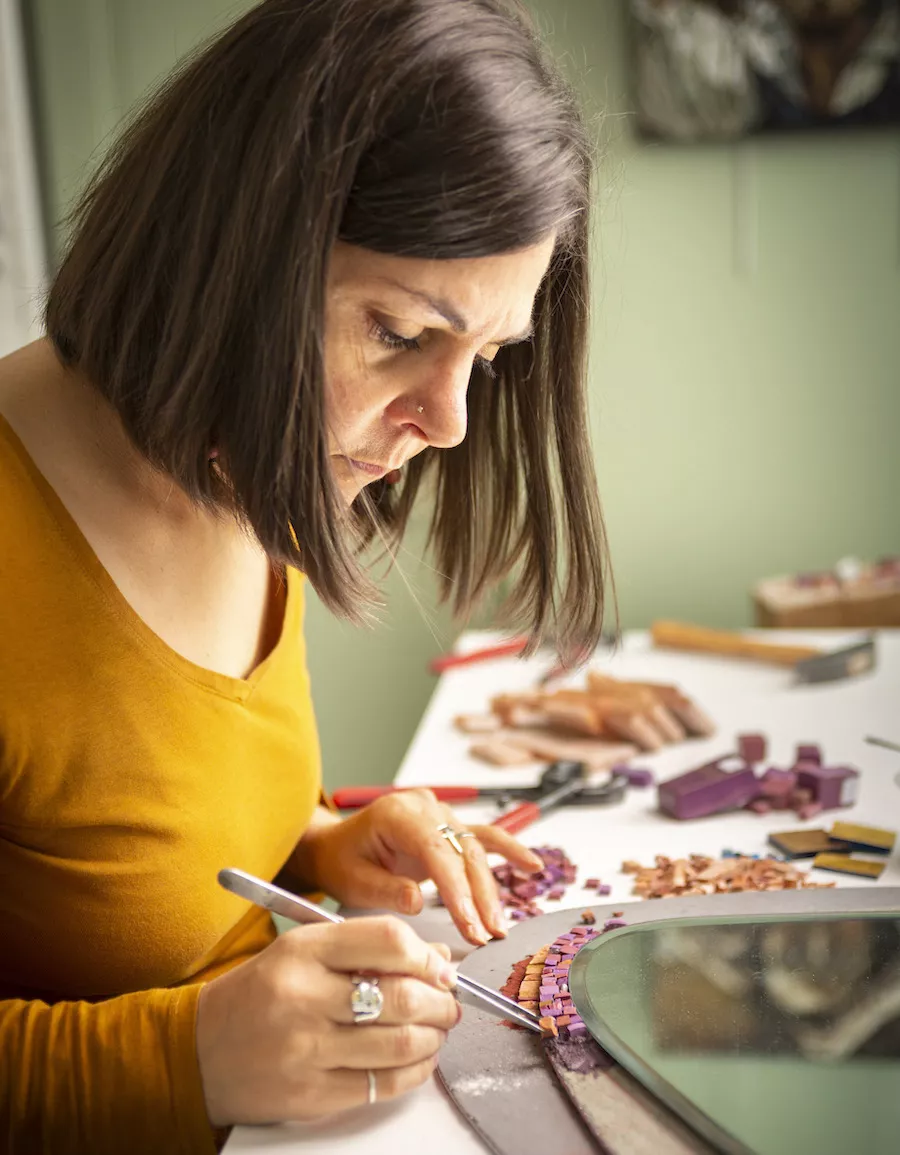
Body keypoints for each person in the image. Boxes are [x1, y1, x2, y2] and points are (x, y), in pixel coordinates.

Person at [0, 0, 610, 1151]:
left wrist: (321, 846)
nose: (449, 422)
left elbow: (123, 836)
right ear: (233, 260)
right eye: (400, 334)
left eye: (485, 357)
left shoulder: (233, 458)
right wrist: (187, 1059)